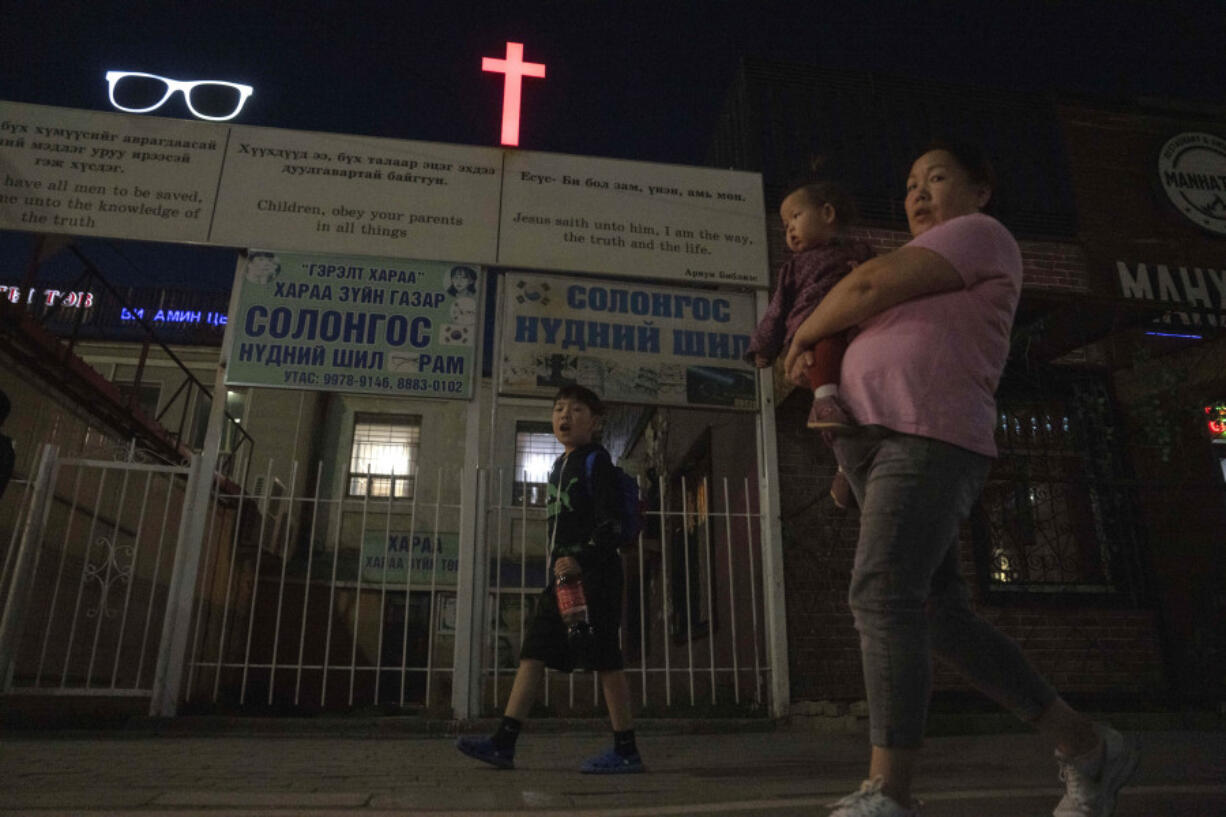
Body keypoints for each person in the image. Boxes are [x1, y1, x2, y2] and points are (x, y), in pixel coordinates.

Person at [783, 141, 1139, 817]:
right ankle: (1089, 746)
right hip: (875, 446)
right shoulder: (915, 273)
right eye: (910, 182)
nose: (917, 192)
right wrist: (829, 424)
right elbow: (861, 349)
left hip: (930, 436)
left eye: (936, 178)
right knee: (937, 615)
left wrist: (803, 334)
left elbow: (858, 290)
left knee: (882, 591)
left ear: (981, 191)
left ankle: (888, 790)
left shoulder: (980, 236)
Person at [456, 385, 643, 774]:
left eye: (576, 409)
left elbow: (609, 526)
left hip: (596, 575)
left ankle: (626, 750)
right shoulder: (558, 467)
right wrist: (563, 562)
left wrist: (579, 557)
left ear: (595, 421)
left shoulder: (597, 462)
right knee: (535, 650)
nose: (565, 415)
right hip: (563, 579)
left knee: (605, 657)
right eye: (559, 408)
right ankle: (503, 743)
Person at [747, 181, 874, 508]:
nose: (789, 229)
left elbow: (876, 279)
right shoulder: (792, 268)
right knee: (828, 364)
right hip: (811, 332)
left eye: (795, 218)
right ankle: (825, 401)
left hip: (855, 329)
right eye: (785, 225)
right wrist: (763, 346)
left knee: (859, 399)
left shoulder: (857, 251)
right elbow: (776, 309)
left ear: (827, 214)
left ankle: (845, 466)